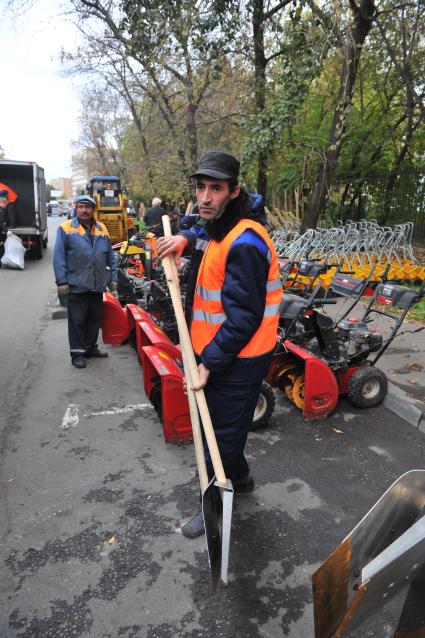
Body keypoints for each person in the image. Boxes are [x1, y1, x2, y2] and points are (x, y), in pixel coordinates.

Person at [156, 151, 282, 538]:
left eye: (216, 188)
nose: (205, 197)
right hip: (221, 354)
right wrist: (184, 238)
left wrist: (208, 362)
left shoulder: (244, 242)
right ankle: (240, 479)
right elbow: (206, 232)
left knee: (218, 438)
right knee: (226, 428)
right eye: (201, 187)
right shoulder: (225, 226)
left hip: (236, 360)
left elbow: (243, 318)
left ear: (233, 192)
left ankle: (211, 509)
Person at [53, 195, 118, 369]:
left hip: (97, 283)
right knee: (77, 320)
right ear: (76, 208)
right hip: (76, 282)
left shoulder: (101, 228)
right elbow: (59, 256)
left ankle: (90, 348)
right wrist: (62, 282)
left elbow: (110, 256)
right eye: (81, 207)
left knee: (94, 319)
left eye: (87, 207)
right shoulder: (65, 228)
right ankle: (77, 353)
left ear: (92, 209)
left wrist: (113, 277)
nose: (84, 210)